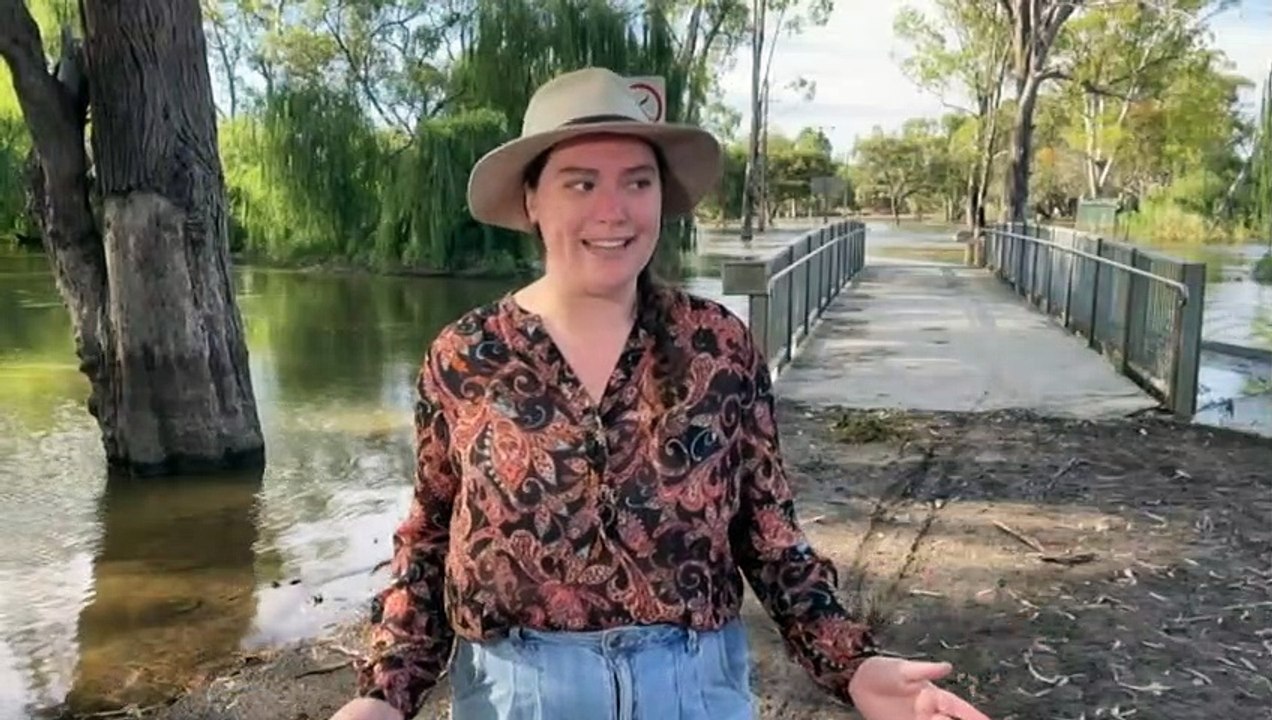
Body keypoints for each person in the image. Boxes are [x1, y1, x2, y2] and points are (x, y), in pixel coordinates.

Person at [329, 67, 991, 720]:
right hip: (518, 695)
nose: (613, 210)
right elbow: (429, 540)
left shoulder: (718, 346)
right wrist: (382, 697)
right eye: (580, 183)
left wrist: (854, 664)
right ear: (532, 200)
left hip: (694, 689)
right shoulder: (465, 356)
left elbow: (768, 535)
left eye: (637, 182)